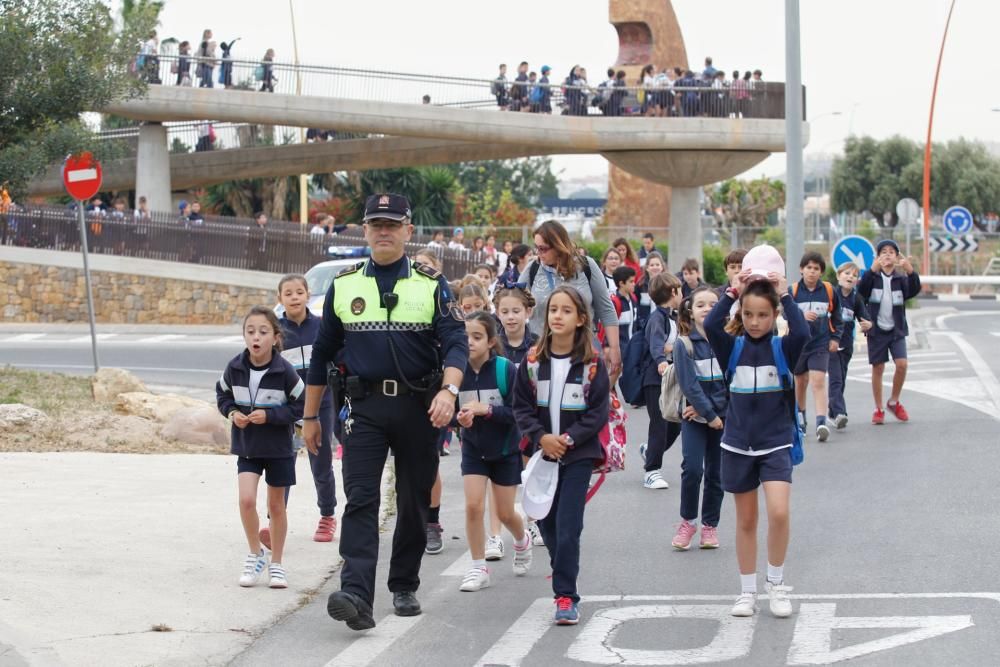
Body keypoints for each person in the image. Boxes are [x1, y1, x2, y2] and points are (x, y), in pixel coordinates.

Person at [303, 193, 467, 631]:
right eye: (376, 224)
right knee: (361, 499)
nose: (384, 231)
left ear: (408, 231)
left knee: (413, 499)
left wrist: (449, 391)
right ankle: (356, 594)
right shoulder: (345, 283)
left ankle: (403, 584)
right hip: (364, 408)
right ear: (365, 230)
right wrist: (310, 417)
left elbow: (456, 342)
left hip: (419, 407)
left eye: (392, 224)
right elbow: (321, 354)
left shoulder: (432, 285)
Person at [704, 264, 808, 619]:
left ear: (774, 314)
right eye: (748, 314)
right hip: (736, 445)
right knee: (746, 521)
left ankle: (776, 583)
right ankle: (747, 591)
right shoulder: (731, 348)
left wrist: (784, 294)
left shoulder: (784, 349)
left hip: (776, 443)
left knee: (779, 512)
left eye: (763, 315)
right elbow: (710, 325)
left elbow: (804, 331)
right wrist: (733, 291)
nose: (754, 321)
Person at [512, 286, 611, 625]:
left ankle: (566, 595)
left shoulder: (592, 364)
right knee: (548, 524)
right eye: (553, 309)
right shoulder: (532, 361)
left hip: (577, 455)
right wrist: (541, 438)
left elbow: (597, 412)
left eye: (566, 310)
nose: (557, 315)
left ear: (581, 318)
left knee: (569, 527)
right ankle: (563, 571)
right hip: (541, 456)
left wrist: (567, 439)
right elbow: (521, 407)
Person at [216, 306, 305, 590]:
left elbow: (301, 405)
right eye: (250, 331)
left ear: (275, 338)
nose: (256, 337)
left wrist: (271, 416)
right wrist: (232, 414)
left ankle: (276, 564)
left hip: (279, 448)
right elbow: (222, 395)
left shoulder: (284, 371)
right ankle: (256, 554)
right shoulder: (234, 367)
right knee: (246, 501)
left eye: (263, 332)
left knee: (276, 506)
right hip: (248, 446)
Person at [456, 311, 533, 592]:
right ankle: (478, 568)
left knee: (504, 513)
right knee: (473, 506)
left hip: (505, 451)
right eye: (465, 337)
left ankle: (522, 539)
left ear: (490, 341)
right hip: (474, 451)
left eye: (477, 337)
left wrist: (486, 410)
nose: (470, 342)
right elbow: (450, 409)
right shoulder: (455, 372)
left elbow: (519, 413)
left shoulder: (505, 370)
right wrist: (460, 419)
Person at [274, 274, 339, 544]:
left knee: (321, 463)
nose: (294, 297)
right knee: (283, 461)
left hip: (322, 405)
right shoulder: (276, 331)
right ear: (280, 299)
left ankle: (327, 516)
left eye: (299, 292)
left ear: (307, 295)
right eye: (288, 293)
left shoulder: (322, 327)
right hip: (288, 409)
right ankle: (276, 518)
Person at [523, 221, 621, 377]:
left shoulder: (587, 266)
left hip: (584, 350)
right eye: (536, 248)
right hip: (543, 351)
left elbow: (606, 309)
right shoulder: (533, 268)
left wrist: (615, 348)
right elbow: (517, 305)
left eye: (543, 249)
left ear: (558, 245)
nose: (538, 253)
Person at [670, 287, 726, 550]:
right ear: (689, 311)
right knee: (692, 469)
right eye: (701, 304)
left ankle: (709, 526)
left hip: (721, 418)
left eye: (713, 304)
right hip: (696, 418)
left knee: (717, 474)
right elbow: (689, 384)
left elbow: (732, 381)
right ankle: (688, 521)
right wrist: (708, 414)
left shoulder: (728, 339)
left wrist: (713, 412)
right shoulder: (684, 343)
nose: (707, 309)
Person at [857, 240, 921, 424]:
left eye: (891, 252)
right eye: (883, 252)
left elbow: (914, 289)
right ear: (878, 257)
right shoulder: (872, 278)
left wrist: (910, 271)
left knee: (902, 364)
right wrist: (871, 270)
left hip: (897, 330)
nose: (887, 255)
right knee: (878, 368)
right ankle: (878, 409)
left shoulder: (901, 279)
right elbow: (861, 292)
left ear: (897, 257)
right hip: (876, 330)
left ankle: (894, 401)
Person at [790, 251, 843, 442]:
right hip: (799, 344)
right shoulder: (793, 291)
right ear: (801, 270)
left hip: (820, 343)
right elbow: (785, 314)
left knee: (818, 381)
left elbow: (838, 316)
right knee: (800, 382)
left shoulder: (828, 290)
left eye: (816, 269)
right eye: (808, 268)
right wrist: (800, 316)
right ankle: (801, 420)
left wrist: (835, 338)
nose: (812, 272)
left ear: (821, 272)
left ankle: (821, 422)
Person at [640, 273, 682, 489]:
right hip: (655, 378)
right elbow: (656, 344)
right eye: (680, 290)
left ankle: (649, 451)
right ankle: (652, 471)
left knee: (675, 424)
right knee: (660, 424)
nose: (682, 294)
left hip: (670, 377)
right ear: (673, 292)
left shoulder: (673, 317)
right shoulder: (657, 318)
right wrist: (660, 360)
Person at [828, 263, 871, 430]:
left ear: (857, 280)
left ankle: (832, 413)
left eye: (854, 275)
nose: (850, 277)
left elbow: (865, 318)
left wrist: (868, 325)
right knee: (836, 380)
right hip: (830, 343)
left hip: (846, 346)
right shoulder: (830, 294)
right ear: (838, 276)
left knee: (841, 380)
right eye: (846, 273)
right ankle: (840, 413)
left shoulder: (856, 298)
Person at [635, 251, 665, 331]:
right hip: (645, 325)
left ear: (662, 267)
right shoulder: (640, 285)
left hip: (662, 324)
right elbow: (636, 304)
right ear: (647, 268)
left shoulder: (667, 285)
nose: (655, 267)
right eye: (652, 265)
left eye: (657, 265)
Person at [611, 266, 638, 343]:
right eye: (631, 281)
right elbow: (610, 328)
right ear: (621, 283)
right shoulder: (615, 303)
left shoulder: (634, 299)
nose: (634, 284)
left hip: (633, 346)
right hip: (621, 348)